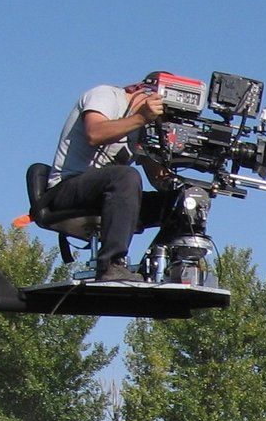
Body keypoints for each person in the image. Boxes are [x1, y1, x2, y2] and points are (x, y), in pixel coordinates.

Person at [40, 77, 179, 283]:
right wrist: (141, 117)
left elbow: (158, 177)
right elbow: (95, 133)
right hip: (67, 188)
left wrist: (182, 184)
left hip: (110, 194)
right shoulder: (106, 95)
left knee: (182, 201)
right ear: (147, 93)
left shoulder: (142, 128)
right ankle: (111, 265)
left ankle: (165, 267)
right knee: (126, 175)